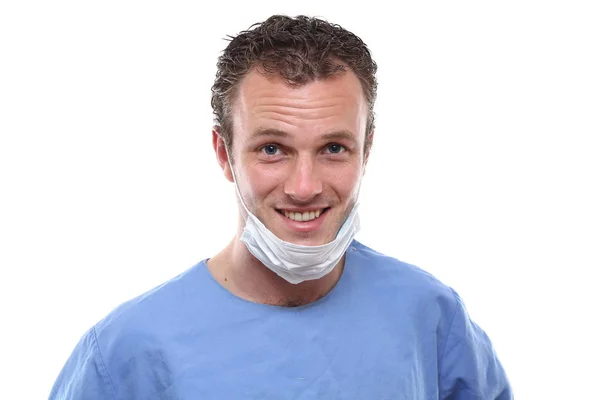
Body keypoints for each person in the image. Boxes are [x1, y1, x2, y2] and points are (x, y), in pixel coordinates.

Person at [50, 15, 512, 399]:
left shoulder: (429, 318)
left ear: (366, 151)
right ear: (223, 152)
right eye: (272, 149)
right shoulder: (126, 354)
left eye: (333, 148)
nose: (305, 187)